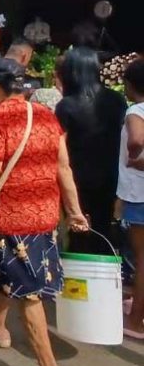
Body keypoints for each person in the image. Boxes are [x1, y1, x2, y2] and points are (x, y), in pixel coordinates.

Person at [0, 57, 89, 366]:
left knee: (29, 294)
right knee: (11, 271)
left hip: (14, 220)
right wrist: (74, 211)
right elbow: (63, 168)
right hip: (45, 216)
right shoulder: (45, 116)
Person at [55, 47, 127, 254]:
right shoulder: (116, 100)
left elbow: (60, 149)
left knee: (77, 226)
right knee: (103, 226)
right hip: (110, 174)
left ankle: (79, 276)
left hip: (77, 176)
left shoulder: (66, 106)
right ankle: (103, 272)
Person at [116, 59, 144, 339]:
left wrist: (137, 159)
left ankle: (136, 321)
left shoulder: (135, 110)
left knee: (142, 257)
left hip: (140, 193)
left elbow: (136, 140)